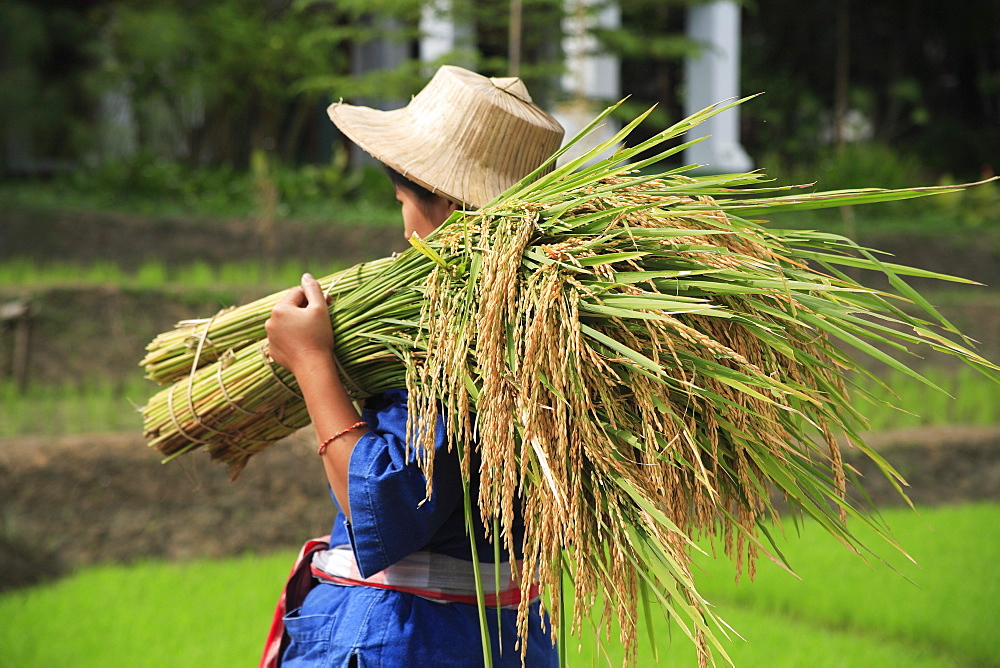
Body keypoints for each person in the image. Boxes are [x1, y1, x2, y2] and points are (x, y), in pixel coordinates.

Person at [261, 65, 565, 667]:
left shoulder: (451, 338)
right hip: (506, 640)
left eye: (404, 201)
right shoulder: (551, 330)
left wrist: (312, 361)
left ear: (448, 203)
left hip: (405, 640)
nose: (403, 227)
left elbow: (385, 504)